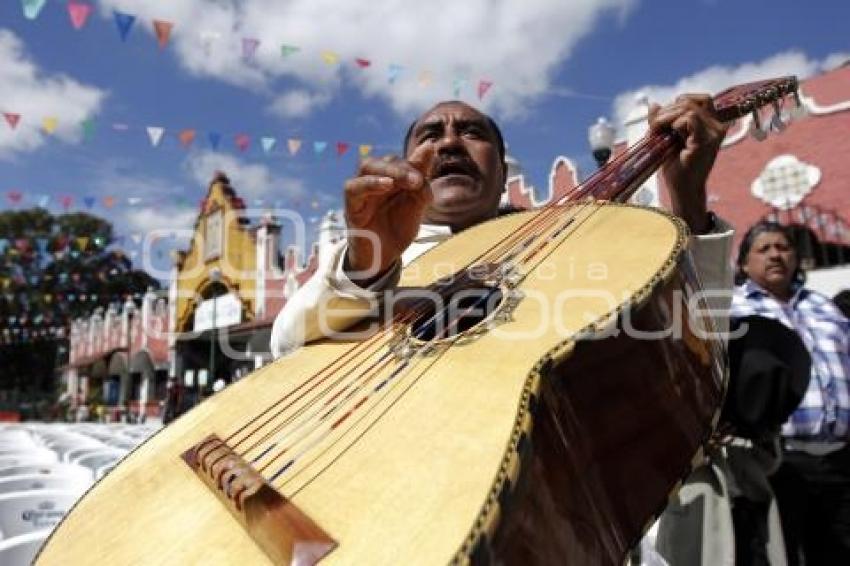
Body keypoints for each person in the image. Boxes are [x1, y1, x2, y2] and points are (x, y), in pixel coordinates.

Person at [270, 97, 735, 355]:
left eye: (472, 133)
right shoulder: (360, 259)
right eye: (431, 135)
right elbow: (287, 342)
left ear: (503, 166)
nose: (450, 141)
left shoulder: (565, 240)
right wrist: (370, 264)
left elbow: (696, 338)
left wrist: (688, 196)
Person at [731, 221, 850, 565]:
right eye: (763, 249)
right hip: (778, 461)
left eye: (783, 247)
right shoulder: (734, 310)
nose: (775, 255)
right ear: (743, 264)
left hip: (840, 458)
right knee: (784, 552)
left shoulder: (825, 307)